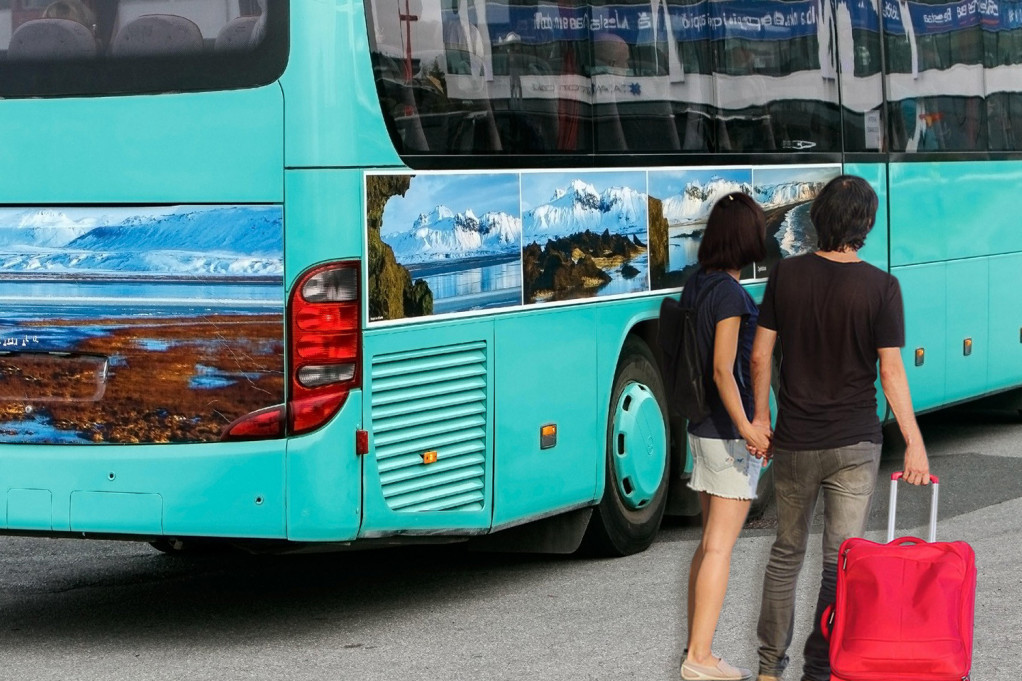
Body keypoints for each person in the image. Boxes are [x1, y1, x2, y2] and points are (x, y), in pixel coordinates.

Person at [748, 175, 930, 681]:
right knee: (840, 562)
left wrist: (762, 419)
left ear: (819, 219)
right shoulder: (881, 287)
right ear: (865, 225)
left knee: (786, 553)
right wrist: (914, 443)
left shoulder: (786, 278)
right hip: (855, 443)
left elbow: (760, 354)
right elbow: (890, 373)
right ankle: (819, 667)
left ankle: (768, 669)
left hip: (797, 440)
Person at [680, 192, 771, 681]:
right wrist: (750, 429)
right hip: (726, 433)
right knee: (720, 546)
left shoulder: (698, 284)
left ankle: (699, 648)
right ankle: (699, 657)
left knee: (706, 545)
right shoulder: (732, 295)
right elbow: (723, 370)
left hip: (701, 429)